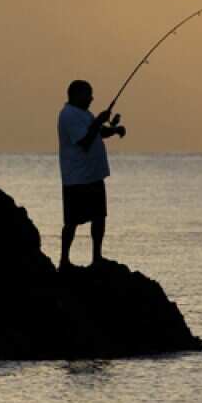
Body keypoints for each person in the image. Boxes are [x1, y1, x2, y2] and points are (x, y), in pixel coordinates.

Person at [57, 79, 126, 270]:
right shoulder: (68, 116)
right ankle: (64, 261)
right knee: (71, 222)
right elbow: (85, 141)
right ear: (77, 95)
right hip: (77, 178)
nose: (91, 98)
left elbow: (96, 133)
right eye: (88, 94)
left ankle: (97, 257)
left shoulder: (83, 113)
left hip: (93, 176)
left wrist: (113, 130)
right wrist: (98, 121)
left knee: (98, 217)